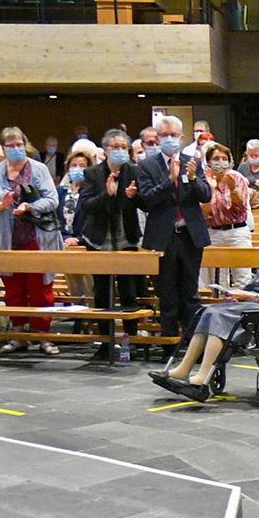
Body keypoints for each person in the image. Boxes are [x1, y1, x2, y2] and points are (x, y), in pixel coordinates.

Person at [151, 211, 259, 400]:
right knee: (208, 311)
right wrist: (239, 295)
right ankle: (183, 368)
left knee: (220, 316)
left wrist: (250, 296)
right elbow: (257, 282)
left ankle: (202, 377)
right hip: (255, 300)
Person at [0, 127, 64, 355]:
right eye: (10, 145)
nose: (16, 149)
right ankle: (18, 336)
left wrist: (30, 207)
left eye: (19, 144)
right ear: (3, 148)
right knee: (13, 291)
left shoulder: (38, 169)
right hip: (7, 240)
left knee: (40, 289)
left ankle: (43, 337)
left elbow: (52, 199)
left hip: (37, 237)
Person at [137, 115, 213, 358]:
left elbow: (205, 196)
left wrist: (191, 179)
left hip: (190, 236)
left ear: (181, 138)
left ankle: (194, 348)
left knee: (190, 294)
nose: (169, 139)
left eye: (173, 135)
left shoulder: (193, 162)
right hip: (163, 237)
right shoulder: (147, 166)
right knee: (167, 294)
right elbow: (147, 200)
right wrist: (169, 182)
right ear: (158, 139)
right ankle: (169, 346)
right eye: (164, 135)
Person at [82, 129, 144, 365]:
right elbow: (86, 206)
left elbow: (145, 204)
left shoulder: (135, 171)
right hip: (99, 241)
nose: (120, 151)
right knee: (102, 293)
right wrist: (107, 195)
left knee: (129, 292)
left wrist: (134, 196)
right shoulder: (92, 173)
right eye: (115, 147)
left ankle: (131, 340)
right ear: (105, 150)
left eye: (123, 147)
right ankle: (105, 342)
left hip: (126, 240)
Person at [201, 143, 255, 290]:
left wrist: (233, 190)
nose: (220, 162)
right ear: (209, 161)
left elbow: (241, 208)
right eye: (216, 158)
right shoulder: (203, 180)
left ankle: (245, 308)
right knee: (217, 280)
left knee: (243, 276)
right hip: (213, 232)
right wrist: (211, 189)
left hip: (236, 231)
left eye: (224, 158)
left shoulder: (237, 178)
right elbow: (203, 213)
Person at [58, 143, 95, 313]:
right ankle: (77, 315)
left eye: (82, 166)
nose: (77, 169)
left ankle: (90, 315)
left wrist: (78, 239)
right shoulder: (60, 192)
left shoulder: (91, 192)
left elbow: (92, 220)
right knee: (72, 283)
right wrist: (65, 238)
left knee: (88, 285)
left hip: (84, 244)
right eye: (74, 165)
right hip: (65, 244)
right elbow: (54, 219)